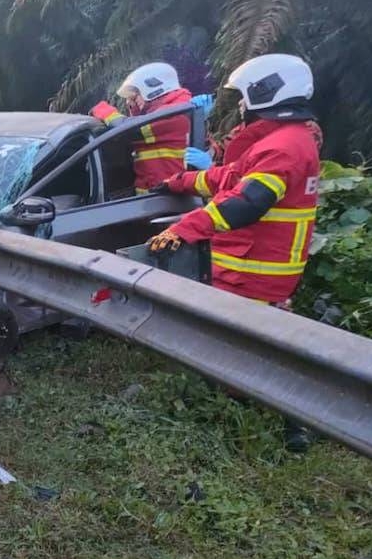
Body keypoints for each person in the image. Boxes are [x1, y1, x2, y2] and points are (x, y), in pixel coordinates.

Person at [147, 54, 321, 451]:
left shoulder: (284, 147)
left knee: (257, 344)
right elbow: (228, 178)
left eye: (243, 96)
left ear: (265, 92)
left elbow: (245, 203)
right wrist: (180, 181)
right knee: (252, 339)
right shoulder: (279, 140)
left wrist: (184, 228)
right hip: (253, 265)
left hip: (254, 268)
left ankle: (293, 421)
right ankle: (245, 401)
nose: (240, 105)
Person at [90, 62, 193, 193]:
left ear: (153, 88)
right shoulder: (167, 111)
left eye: (135, 95)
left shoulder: (174, 114)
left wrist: (103, 110)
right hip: (154, 198)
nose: (129, 102)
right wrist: (137, 109)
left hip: (168, 199)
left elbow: (128, 130)